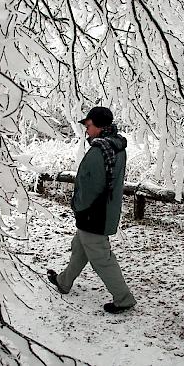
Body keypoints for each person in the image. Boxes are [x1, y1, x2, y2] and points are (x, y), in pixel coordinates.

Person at [47, 106, 137, 314]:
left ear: (99, 126)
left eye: (88, 125)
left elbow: (90, 186)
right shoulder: (115, 146)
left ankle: (124, 299)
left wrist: (77, 206)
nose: (86, 130)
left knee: (102, 258)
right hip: (104, 210)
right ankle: (64, 281)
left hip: (94, 213)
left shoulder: (99, 151)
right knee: (79, 247)